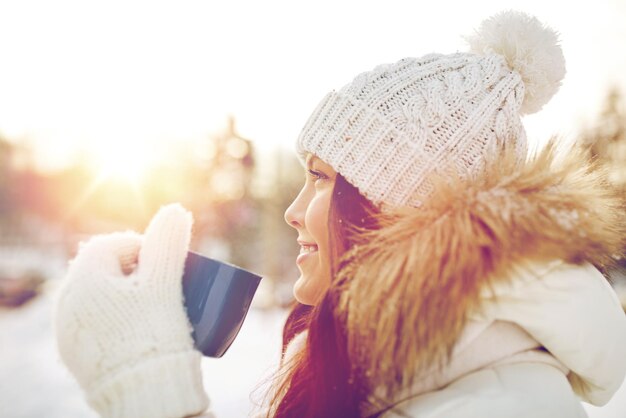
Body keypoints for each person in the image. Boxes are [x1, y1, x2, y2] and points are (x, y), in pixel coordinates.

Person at [54, 10, 626, 418]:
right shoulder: (379, 367)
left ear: (401, 206)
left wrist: (149, 393)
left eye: (322, 179)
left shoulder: (500, 405)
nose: (294, 212)